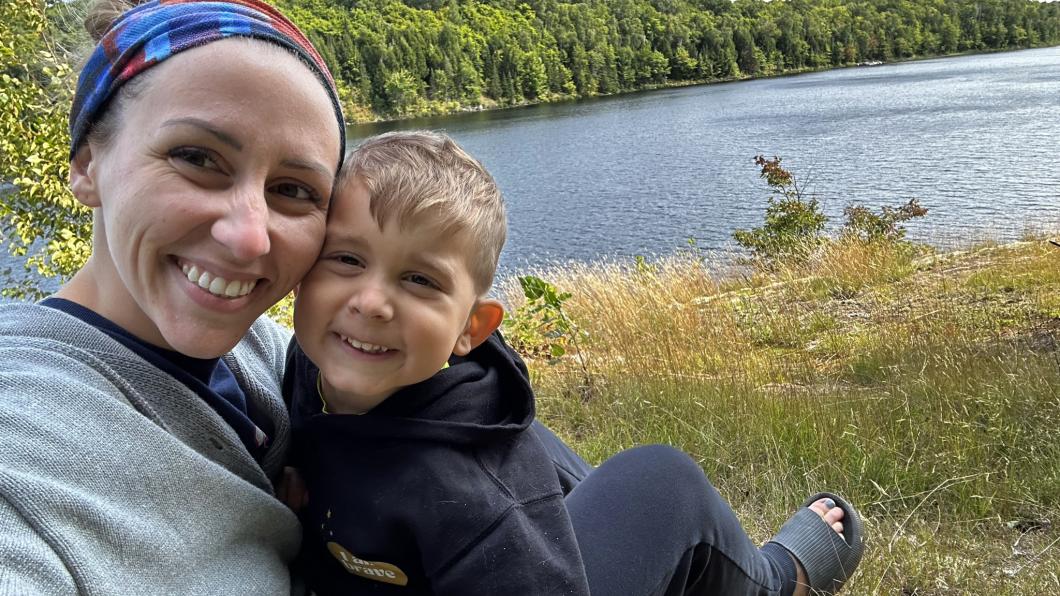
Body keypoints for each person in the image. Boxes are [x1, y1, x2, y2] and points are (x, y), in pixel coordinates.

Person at [283, 131, 866, 595]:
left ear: (471, 329)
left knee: (652, 478)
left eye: (419, 279)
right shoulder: (308, 363)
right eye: (346, 259)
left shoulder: (475, 504)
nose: (370, 302)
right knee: (639, 476)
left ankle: (776, 579)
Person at [0, 0, 347, 593]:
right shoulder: (25, 441)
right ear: (87, 165)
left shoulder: (270, 356)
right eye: (196, 158)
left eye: (293, 190)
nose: (248, 236)